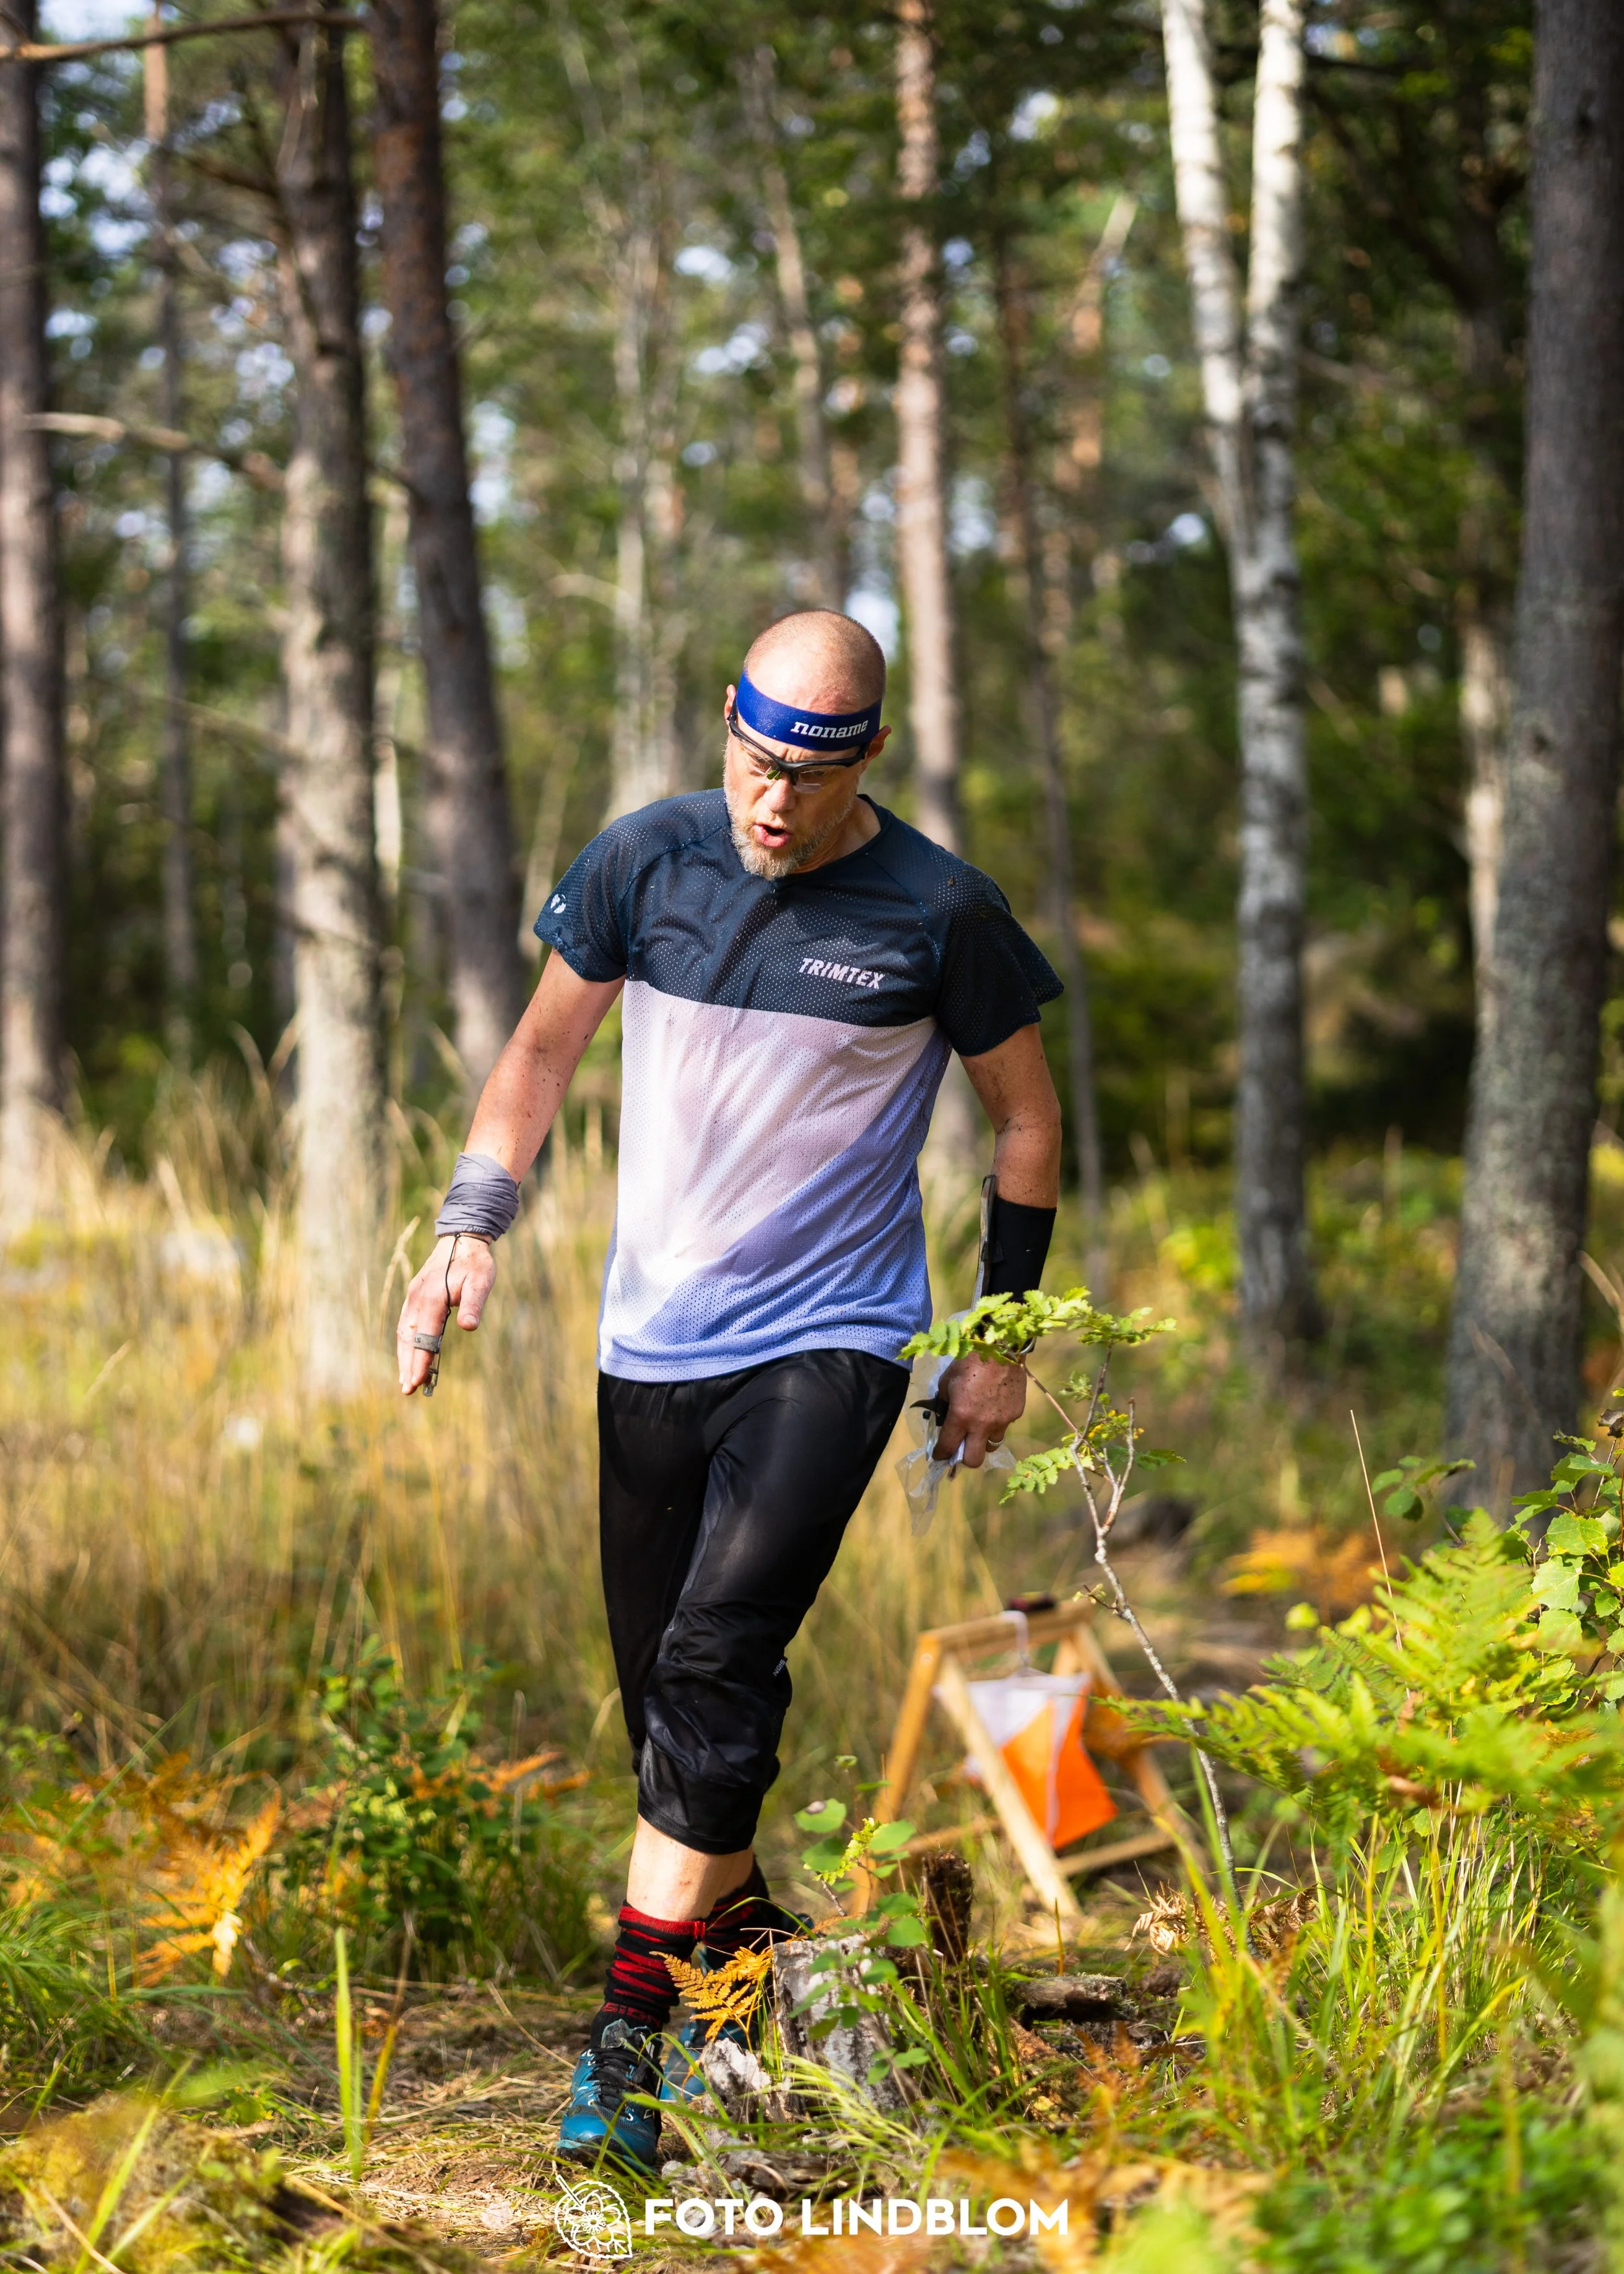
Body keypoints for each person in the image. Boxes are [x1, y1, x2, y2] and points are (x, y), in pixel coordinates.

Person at [395, 607, 1063, 2167]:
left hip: (832, 1338)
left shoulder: (941, 911)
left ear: (866, 760)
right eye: (756, 763)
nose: (774, 803)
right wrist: (468, 1231)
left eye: (810, 781)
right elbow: (539, 1058)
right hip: (653, 1346)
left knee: (713, 1655)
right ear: (726, 723)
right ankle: (752, 1977)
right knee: (668, 1718)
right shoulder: (645, 859)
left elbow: (1022, 1125)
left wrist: (998, 1337)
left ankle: (624, 2045)